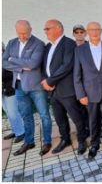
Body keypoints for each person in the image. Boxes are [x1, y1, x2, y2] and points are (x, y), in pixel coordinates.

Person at [73, 21, 102, 158]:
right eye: (92, 29)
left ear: (101, 31)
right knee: (93, 119)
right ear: (87, 32)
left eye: (97, 29)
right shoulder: (79, 50)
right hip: (89, 92)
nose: (95, 32)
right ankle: (94, 144)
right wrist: (80, 94)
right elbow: (77, 75)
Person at [41, 19, 88, 155]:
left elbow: (67, 66)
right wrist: (45, 80)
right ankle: (65, 139)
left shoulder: (68, 44)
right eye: (45, 29)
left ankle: (81, 140)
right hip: (53, 91)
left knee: (76, 117)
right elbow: (44, 67)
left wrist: (50, 81)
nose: (45, 31)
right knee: (59, 117)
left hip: (67, 90)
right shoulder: (48, 46)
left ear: (58, 28)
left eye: (47, 28)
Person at [3, 20, 50, 156]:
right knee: (26, 115)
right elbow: (4, 62)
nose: (22, 36)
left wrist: (13, 60)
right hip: (18, 86)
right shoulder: (12, 43)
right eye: (19, 33)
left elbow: (34, 64)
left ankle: (47, 141)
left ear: (30, 30)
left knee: (44, 115)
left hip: (36, 86)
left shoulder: (38, 43)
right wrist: (23, 66)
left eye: (25, 33)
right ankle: (29, 141)